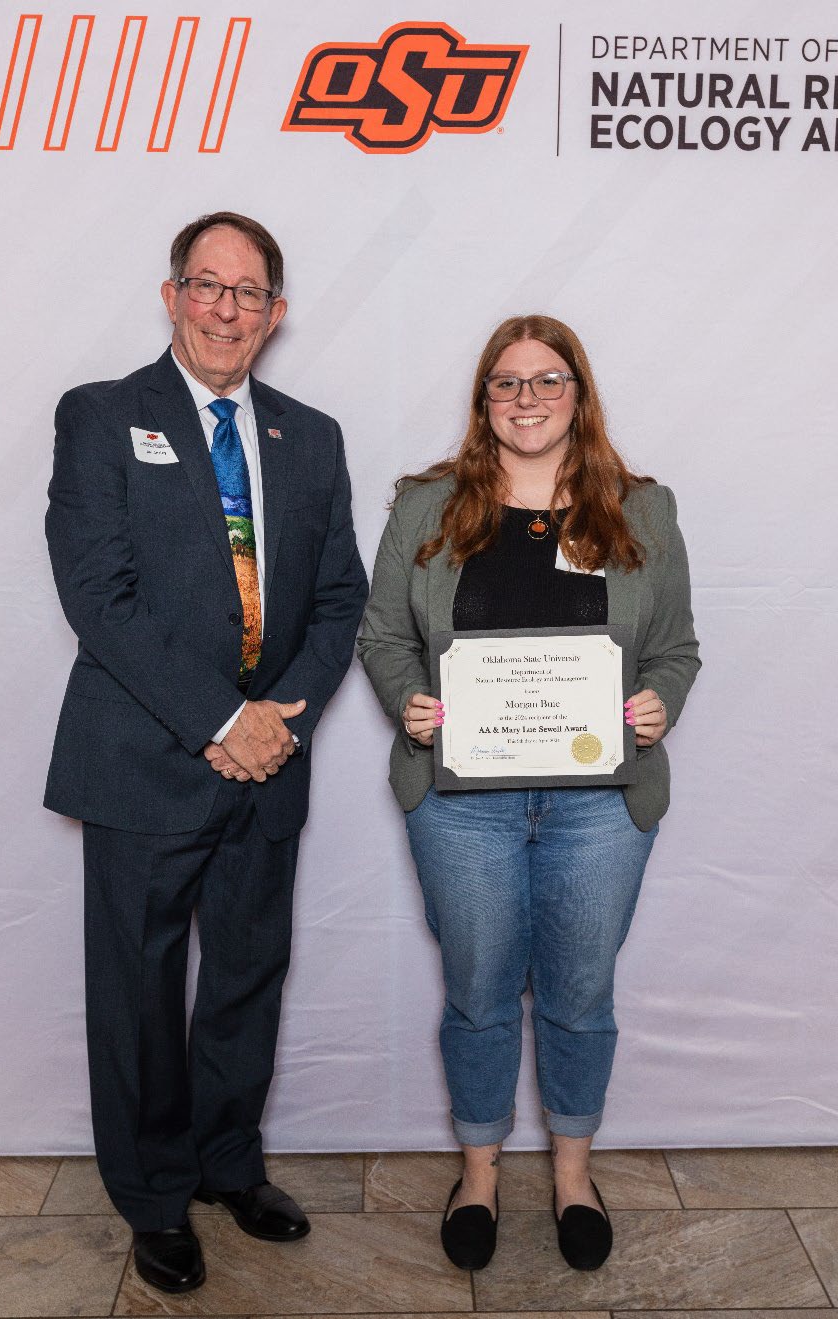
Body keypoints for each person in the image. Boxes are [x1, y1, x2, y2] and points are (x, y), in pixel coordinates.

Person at [44, 211, 368, 1293]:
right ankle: (151, 1195)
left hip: (270, 762)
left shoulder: (309, 435)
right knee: (137, 991)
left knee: (244, 976)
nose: (226, 308)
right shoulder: (99, 416)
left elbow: (338, 600)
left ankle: (230, 1162)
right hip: (143, 759)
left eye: (248, 291)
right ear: (173, 294)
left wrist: (279, 717)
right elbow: (99, 596)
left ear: (276, 313)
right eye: (206, 284)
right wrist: (222, 721)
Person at [357, 314, 700, 1273]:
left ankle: (573, 1173)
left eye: (547, 382)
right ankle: (478, 1174)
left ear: (579, 395)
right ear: (484, 402)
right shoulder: (427, 506)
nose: (527, 399)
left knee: (582, 995)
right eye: (506, 384)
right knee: (476, 994)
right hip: (463, 802)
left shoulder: (642, 507)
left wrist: (658, 703)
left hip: (600, 806)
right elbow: (384, 634)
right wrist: (408, 705)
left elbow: (675, 647)